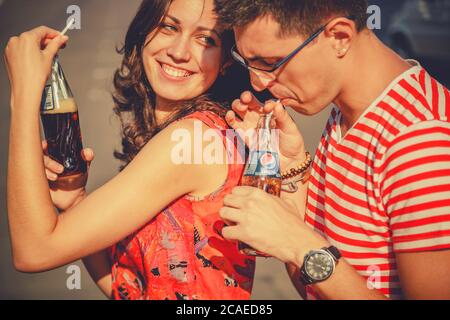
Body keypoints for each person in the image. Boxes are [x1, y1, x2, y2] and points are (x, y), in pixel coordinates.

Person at [4, 0, 256, 300]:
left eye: (206, 39)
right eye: (169, 26)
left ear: (227, 59)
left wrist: (24, 95)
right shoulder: (194, 130)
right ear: (145, 27)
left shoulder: (193, 138)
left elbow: (33, 251)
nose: (179, 51)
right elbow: (131, 289)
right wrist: (74, 203)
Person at [215, 0, 450, 299]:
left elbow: (310, 257)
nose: (257, 81)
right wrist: (290, 170)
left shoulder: (421, 141)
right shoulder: (347, 111)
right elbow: (317, 287)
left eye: (270, 62)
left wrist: (300, 244)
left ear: (339, 37)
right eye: (246, 61)